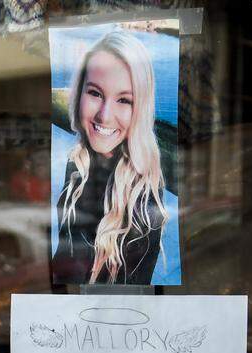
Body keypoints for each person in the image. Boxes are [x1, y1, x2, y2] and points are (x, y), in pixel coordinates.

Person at [53, 31, 168, 285]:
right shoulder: (78, 160)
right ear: (79, 92)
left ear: (141, 108)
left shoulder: (143, 195)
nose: (105, 116)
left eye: (124, 100)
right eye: (95, 93)